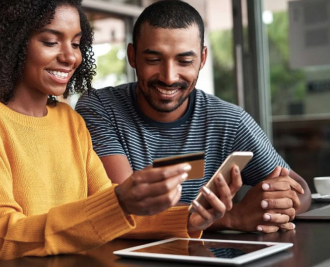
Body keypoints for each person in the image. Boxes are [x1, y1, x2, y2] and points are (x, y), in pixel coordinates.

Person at [0, 0, 240, 265]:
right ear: (10, 43)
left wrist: (187, 218)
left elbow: (108, 214)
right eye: (51, 42)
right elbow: (0, 236)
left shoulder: (69, 120)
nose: (71, 57)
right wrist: (119, 203)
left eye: (76, 43)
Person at [76, 0, 311, 234]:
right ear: (133, 56)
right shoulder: (100, 109)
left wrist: (274, 204)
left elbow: (301, 190)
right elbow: (123, 209)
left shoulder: (228, 121)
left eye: (185, 61)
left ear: (203, 59)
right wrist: (233, 217)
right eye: (153, 59)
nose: (169, 77)